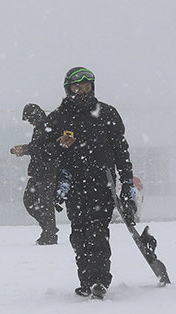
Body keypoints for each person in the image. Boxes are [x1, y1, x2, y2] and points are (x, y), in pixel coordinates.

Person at [39, 67, 136, 299]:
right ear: (68, 89)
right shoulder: (58, 117)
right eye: (77, 87)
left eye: (86, 87)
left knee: (97, 231)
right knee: (79, 233)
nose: (82, 91)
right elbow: (41, 152)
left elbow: (121, 151)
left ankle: (100, 280)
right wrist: (58, 146)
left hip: (103, 184)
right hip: (73, 185)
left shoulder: (107, 113)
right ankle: (86, 281)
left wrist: (127, 182)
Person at [10, 103, 59, 245]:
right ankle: (48, 229)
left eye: (30, 119)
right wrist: (26, 150)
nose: (30, 123)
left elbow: (45, 149)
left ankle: (49, 233)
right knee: (30, 201)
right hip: (38, 172)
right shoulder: (40, 128)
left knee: (45, 204)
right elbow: (38, 147)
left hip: (48, 173)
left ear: (36, 116)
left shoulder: (49, 127)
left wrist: (25, 149)